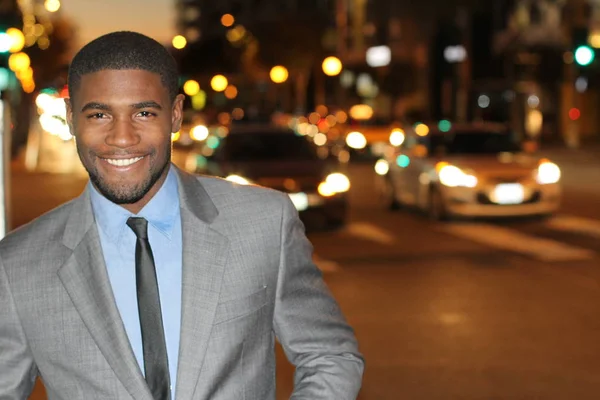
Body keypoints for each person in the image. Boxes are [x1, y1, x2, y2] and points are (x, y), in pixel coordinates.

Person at [0, 31, 364, 399]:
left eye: (143, 113)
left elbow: (330, 355)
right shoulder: (18, 264)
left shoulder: (265, 222)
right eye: (99, 114)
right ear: (71, 118)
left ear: (175, 115)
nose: (122, 138)